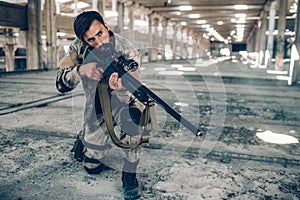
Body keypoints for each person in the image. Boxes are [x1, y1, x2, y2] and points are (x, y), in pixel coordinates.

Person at [56, 11, 152, 199]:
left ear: (106, 25)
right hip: (96, 107)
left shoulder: (127, 49)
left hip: (123, 103)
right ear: (83, 40)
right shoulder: (77, 49)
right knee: (92, 166)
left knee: (135, 116)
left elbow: (134, 86)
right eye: (91, 39)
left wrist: (120, 88)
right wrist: (80, 70)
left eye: (100, 33)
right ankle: (84, 138)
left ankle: (129, 174)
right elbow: (61, 84)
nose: (99, 42)